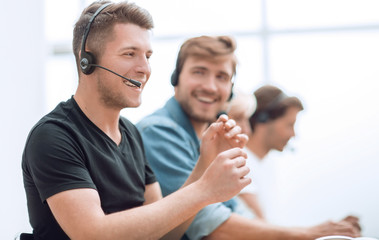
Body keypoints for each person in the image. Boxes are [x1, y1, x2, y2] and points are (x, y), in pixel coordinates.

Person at [21, 2, 251, 239]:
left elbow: (164, 234)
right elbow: (92, 234)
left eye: (147, 56)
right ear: (86, 59)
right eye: (130, 54)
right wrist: (204, 190)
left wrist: (205, 164)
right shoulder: (54, 136)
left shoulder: (131, 134)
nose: (145, 68)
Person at [137, 35, 362, 239]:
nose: (210, 86)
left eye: (222, 77)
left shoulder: (209, 137)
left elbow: (236, 209)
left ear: (231, 90)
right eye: (199, 72)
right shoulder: (159, 132)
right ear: (176, 77)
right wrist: (305, 234)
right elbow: (208, 223)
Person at [226, 85, 362, 238]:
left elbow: (272, 228)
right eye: (289, 125)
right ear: (263, 120)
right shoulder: (240, 163)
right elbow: (263, 229)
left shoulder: (266, 165)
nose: (293, 134)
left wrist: (331, 231)